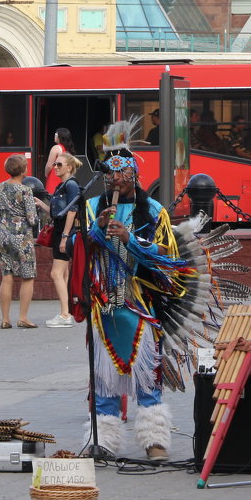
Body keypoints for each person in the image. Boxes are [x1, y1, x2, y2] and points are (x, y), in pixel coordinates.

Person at [83, 127, 187, 461]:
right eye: (111, 174)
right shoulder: (89, 208)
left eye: (123, 173)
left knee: (146, 374)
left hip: (139, 304)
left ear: (135, 175)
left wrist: (131, 239)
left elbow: (168, 256)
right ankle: (104, 441)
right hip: (103, 306)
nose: (116, 179)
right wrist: (98, 228)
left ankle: (154, 440)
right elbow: (75, 248)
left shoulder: (155, 210)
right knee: (104, 377)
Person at [0, 154, 38, 329]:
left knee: (6, 276)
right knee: (27, 276)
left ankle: (5, 319)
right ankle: (23, 317)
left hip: (2, 234)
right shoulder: (26, 190)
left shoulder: (0, 187)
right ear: (23, 170)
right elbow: (32, 218)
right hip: (22, 236)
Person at [42, 152, 82, 327]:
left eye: (59, 164)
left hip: (65, 233)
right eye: (55, 164)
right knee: (63, 274)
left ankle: (65, 315)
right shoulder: (63, 185)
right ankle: (65, 312)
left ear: (69, 167)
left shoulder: (70, 185)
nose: (55, 167)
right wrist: (40, 203)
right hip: (62, 232)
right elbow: (57, 213)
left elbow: (72, 210)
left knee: (56, 273)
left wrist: (65, 236)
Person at [43, 128, 75, 194]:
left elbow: (49, 165)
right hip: (65, 177)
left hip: (54, 177)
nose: (54, 136)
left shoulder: (56, 148)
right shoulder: (68, 150)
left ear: (59, 137)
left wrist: (46, 174)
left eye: (56, 134)